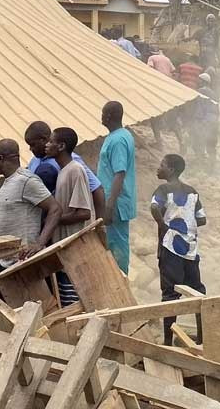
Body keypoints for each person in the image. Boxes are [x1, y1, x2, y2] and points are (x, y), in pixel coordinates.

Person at [0, 139, 62, 322]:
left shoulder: (27, 181)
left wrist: (39, 243)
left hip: (22, 260)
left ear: (1, 158)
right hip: (6, 258)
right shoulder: (9, 182)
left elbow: (55, 209)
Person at [150, 154, 207, 346]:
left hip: (170, 247)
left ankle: (167, 342)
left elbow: (154, 207)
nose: (158, 168)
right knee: (197, 291)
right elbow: (202, 219)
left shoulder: (163, 189)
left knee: (170, 294)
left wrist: (164, 226)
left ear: (171, 170)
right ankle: (202, 338)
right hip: (190, 249)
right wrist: (186, 223)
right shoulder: (192, 192)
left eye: (162, 165)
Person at [46, 127, 95, 304]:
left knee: (73, 305)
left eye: (51, 141)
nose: (47, 145)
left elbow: (84, 212)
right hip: (64, 251)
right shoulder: (64, 171)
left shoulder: (75, 170)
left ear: (61, 146)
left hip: (73, 251)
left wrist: (53, 220)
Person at [24, 121, 106, 219]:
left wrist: (100, 224)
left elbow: (97, 189)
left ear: (44, 139)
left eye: (33, 145)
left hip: (63, 220)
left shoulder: (71, 162)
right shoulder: (34, 161)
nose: (30, 149)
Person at [98, 101, 136, 273]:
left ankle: (121, 281)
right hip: (116, 201)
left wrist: (109, 205)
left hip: (116, 203)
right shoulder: (120, 135)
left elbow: (119, 174)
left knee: (118, 244)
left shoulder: (118, 140)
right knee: (113, 243)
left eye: (103, 113)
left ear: (108, 116)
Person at [193, 73, 220, 172]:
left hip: (204, 121)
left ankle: (199, 166)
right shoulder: (214, 93)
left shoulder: (200, 91)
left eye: (199, 80)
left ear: (203, 81)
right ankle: (212, 167)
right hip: (214, 122)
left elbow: (199, 109)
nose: (197, 81)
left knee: (199, 143)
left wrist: (198, 122)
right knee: (211, 146)